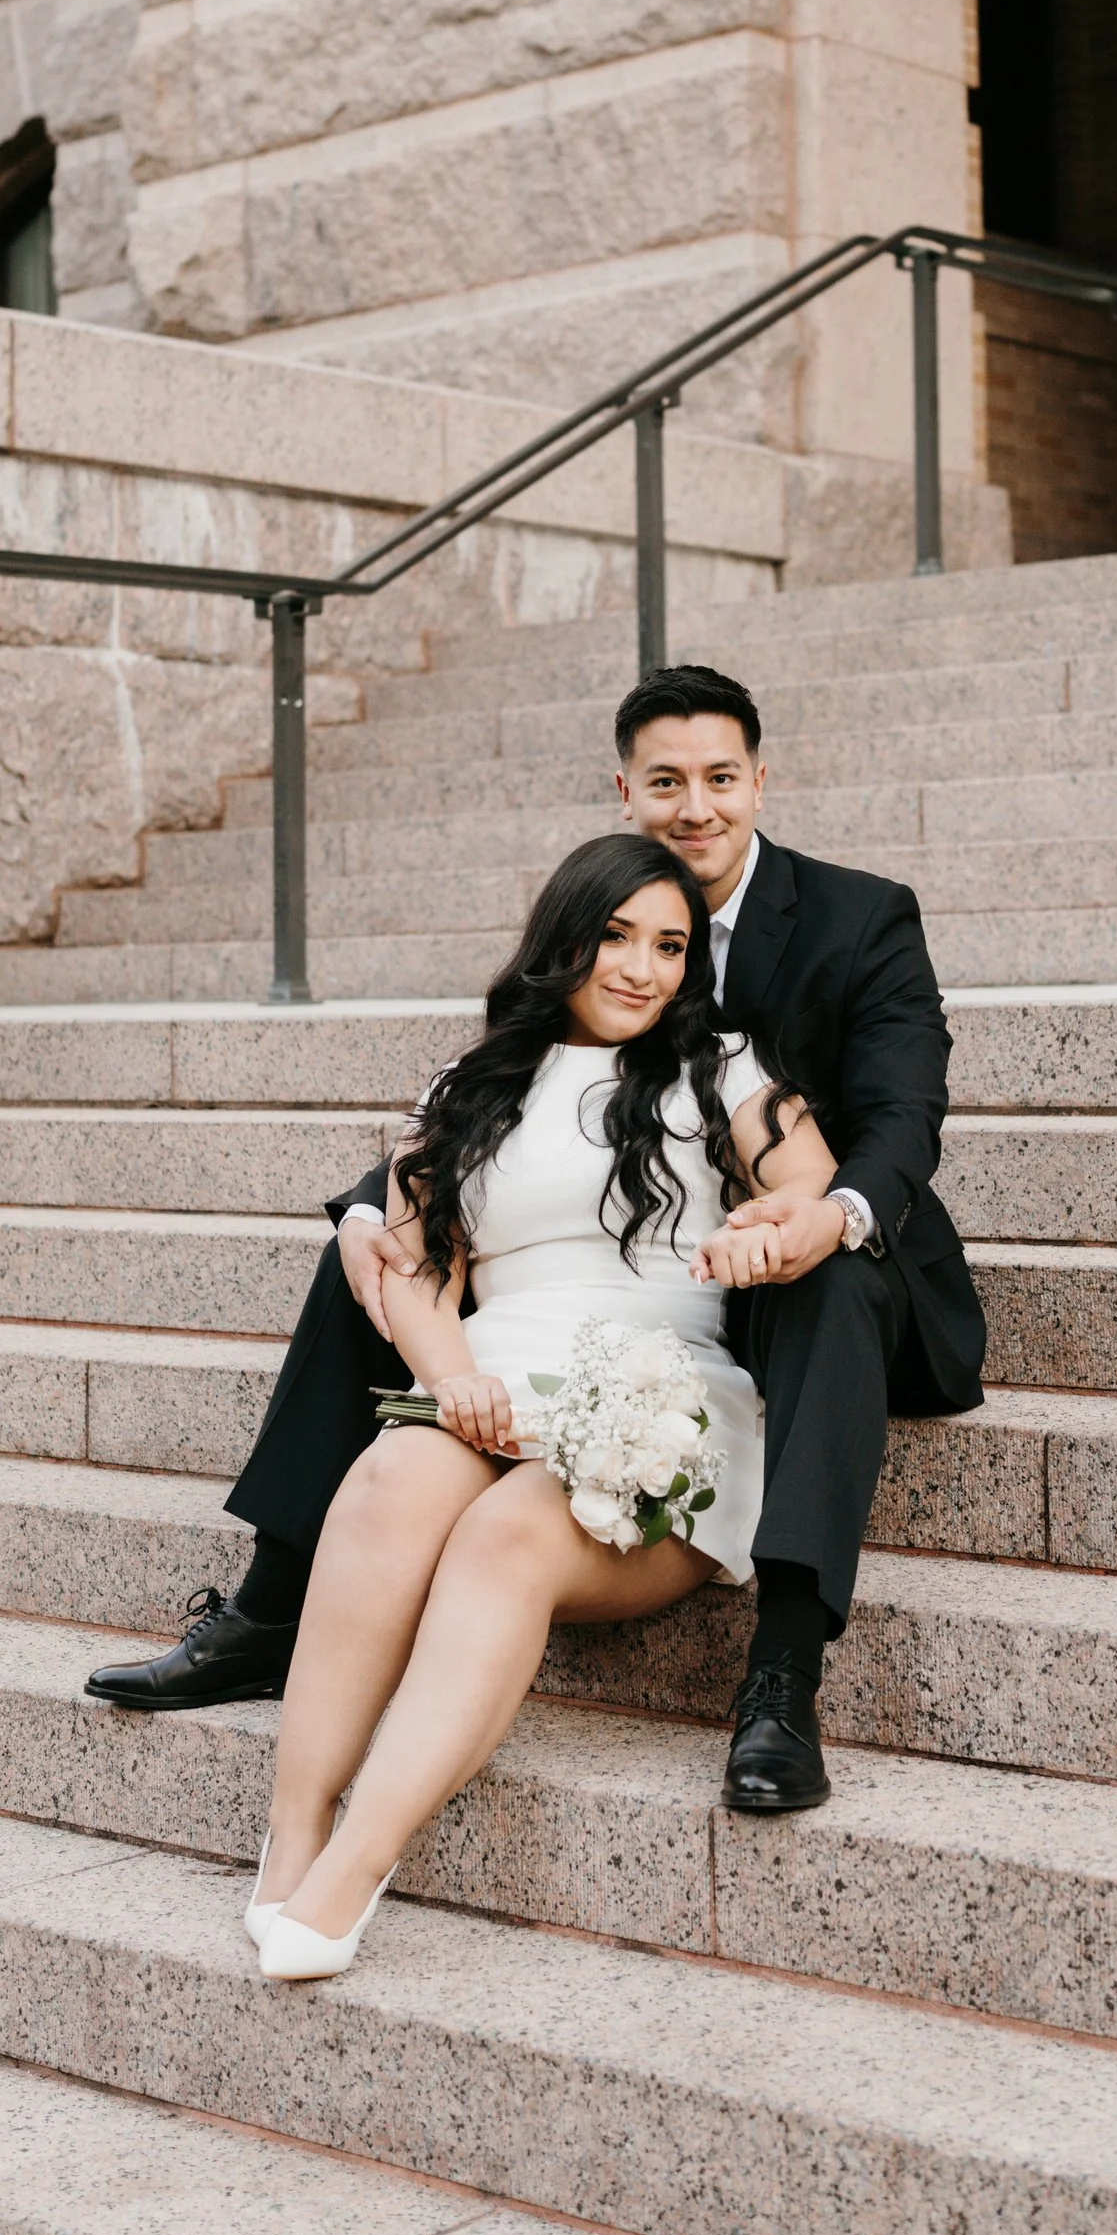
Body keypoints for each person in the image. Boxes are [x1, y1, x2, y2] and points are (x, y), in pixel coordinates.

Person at [85, 659, 988, 1810]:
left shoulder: (863, 915)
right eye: (666, 781)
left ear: (761, 779)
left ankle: (782, 1675)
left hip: (802, 1254)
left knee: (829, 1281)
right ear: (625, 792)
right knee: (369, 1249)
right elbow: (521, 1101)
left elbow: (905, 1114)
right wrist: (376, 1204)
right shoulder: (612, 915)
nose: (694, 806)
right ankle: (274, 1605)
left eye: (720, 777)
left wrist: (826, 1213)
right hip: (635, 1255)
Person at [247, 833, 838, 1981]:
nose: (642, 968)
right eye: (617, 936)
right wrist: (448, 1375)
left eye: (670, 945)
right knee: (383, 1484)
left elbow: (808, 1180)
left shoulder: (717, 1069)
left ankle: (360, 1859)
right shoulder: (469, 1088)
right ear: (562, 937)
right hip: (491, 1380)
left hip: (658, 1396)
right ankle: (294, 1824)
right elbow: (411, 1262)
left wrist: (763, 1227)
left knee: (507, 1537)